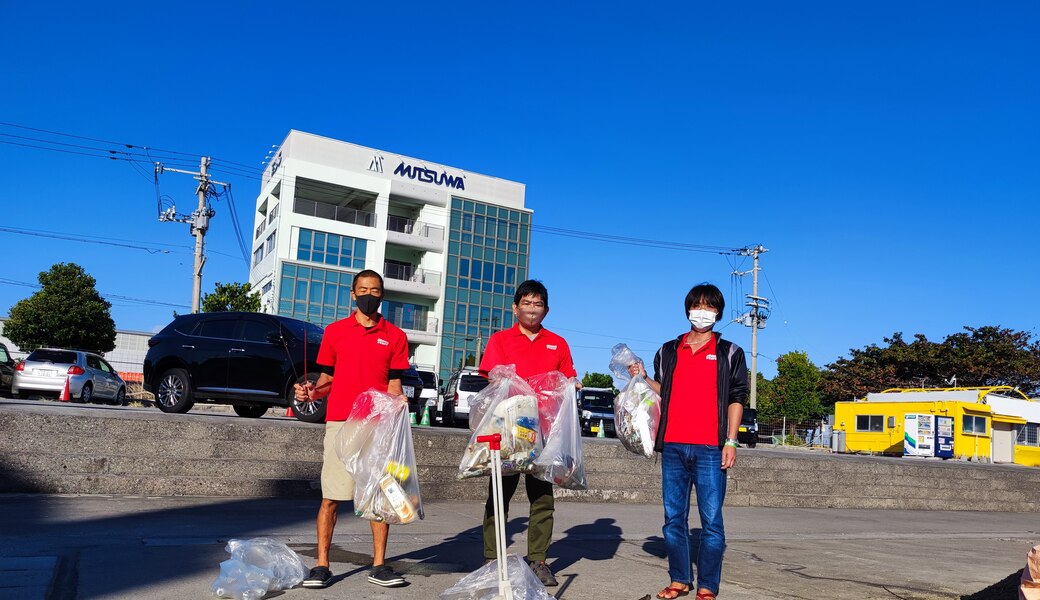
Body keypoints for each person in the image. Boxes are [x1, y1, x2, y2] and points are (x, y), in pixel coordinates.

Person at [629, 283, 748, 600]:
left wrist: (731, 441)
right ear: (687, 309)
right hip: (673, 447)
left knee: (711, 522)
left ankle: (708, 585)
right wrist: (641, 376)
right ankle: (680, 579)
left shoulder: (730, 352)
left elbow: (737, 398)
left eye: (710, 307)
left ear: (718, 313)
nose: (703, 312)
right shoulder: (668, 350)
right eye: (698, 305)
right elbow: (662, 391)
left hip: (711, 448)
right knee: (673, 520)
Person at [294, 270, 411, 589]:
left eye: (374, 290)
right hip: (340, 421)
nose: (368, 295)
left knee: (380, 495)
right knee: (331, 495)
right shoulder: (334, 332)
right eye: (363, 290)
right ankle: (321, 565)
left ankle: (380, 565)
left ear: (382, 295)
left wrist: (398, 401)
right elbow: (325, 381)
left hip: (378, 424)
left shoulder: (396, 336)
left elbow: (394, 380)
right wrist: (311, 393)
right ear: (352, 293)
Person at [476, 279, 577, 587]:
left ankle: (539, 560)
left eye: (538, 304)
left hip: (543, 433)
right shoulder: (500, 340)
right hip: (507, 430)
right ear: (515, 307)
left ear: (547, 309)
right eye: (527, 303)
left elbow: (569, 377)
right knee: (498, 495)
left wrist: (573, 385)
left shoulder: (557, 343)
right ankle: (493, 559)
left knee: (543, 498)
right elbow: (491, 379)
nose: (532, 309)